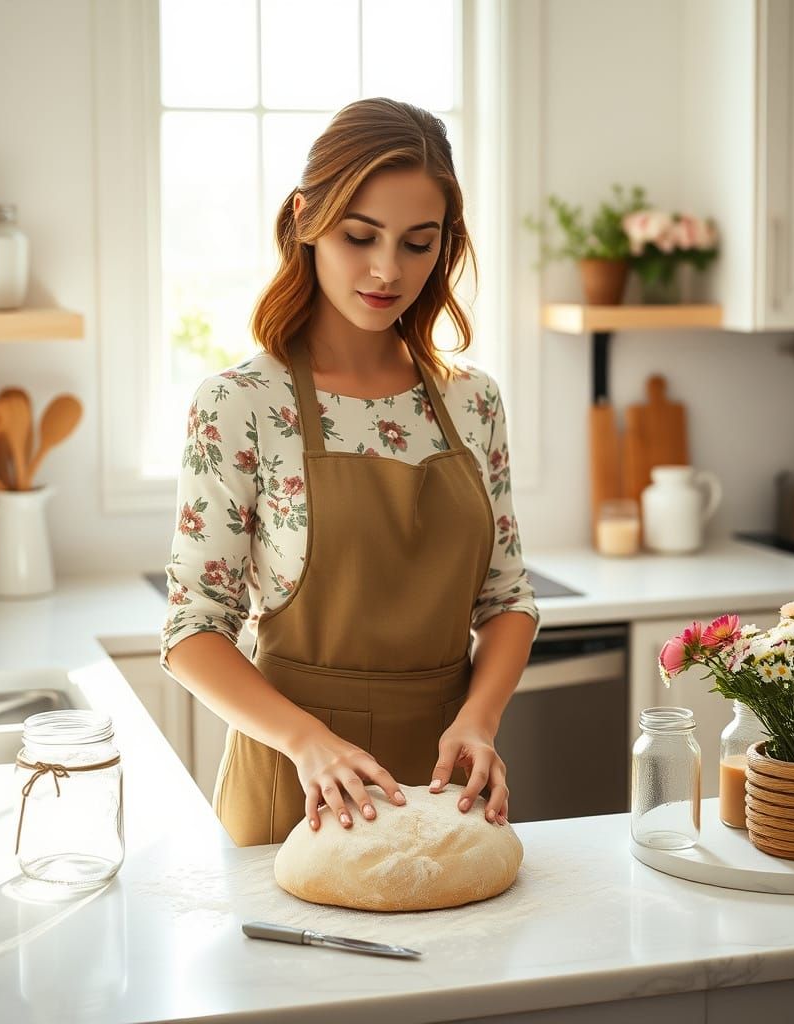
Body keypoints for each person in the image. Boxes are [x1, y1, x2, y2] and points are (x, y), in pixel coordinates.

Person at [161, 97, 539, 847]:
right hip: (292, 793)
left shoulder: (472, 401)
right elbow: (191, 631)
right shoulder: (242, 404)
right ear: (306, 218)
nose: (386, 270)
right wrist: (307, 742)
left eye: (417, 243)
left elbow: (506, 599)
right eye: (358, 235)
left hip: (448, 793)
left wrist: (479, 718)